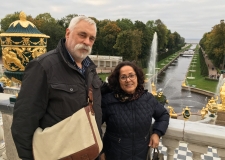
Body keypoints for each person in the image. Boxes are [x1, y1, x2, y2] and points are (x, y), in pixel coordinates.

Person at [11, 15, 109, 160]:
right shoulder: (43, 66)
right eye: (82, 35)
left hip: (87, 152)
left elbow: (100, 91)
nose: (87, 42)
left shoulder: (90, 68)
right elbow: (23, 123)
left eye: (91, 38)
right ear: (68, 33)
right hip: (58, 154)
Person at [101, 61, 169, 160]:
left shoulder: (148, 99)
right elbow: (94, 128)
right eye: (123, 77)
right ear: (118, 80)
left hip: (141, 155)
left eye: (131, 75)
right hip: (113, 155)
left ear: (137, 77)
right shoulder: (108, 101)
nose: (128, 80)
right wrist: (101, 152)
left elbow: (163, 115)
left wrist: (157, 133)